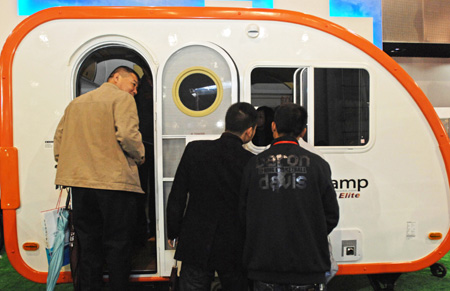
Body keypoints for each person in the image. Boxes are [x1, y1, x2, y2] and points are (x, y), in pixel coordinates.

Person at [53, 66, 145, 290]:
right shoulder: (122, 99)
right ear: (116, 77)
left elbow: (59, 139)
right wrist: (140, 156)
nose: (134, 91)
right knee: (118, 244)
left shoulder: (76, 103)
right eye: (133, 84)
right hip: (114, 183)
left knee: (89, 244)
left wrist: (68, 163)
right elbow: (127, 135)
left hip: (80, 184)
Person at [240, 103, 339, 290]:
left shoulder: (253, 165)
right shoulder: (318, 165)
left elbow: (243, 214)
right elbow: (331, 215)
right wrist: (310, 234)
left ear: (273, 127)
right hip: (308, 266)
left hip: (263, 264)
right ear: (303, 131)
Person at [166, 102, 258, 291]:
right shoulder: (250, 162)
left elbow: (178, 194)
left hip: (196, 240)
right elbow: (252, 206)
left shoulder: (195, 150)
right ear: (249, 131)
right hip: (234, 245)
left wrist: (173, 230)